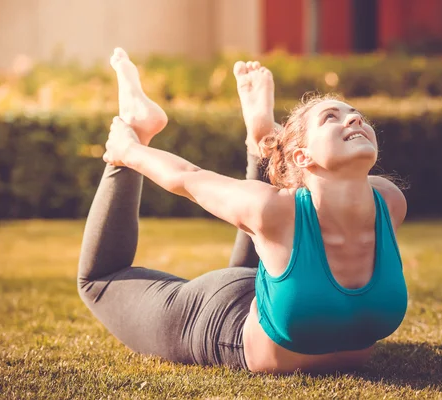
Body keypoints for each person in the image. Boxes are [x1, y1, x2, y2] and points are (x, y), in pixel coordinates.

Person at [77, 48, 408, 375]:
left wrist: (267, 136)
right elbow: (188, 179)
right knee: (98, 282)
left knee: (272, 232)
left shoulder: (390, 203)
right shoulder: (275, 210)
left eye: (355, 114)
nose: (355, 118)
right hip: (226, 318)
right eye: (331, 117)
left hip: (275, 285)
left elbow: (297, 173)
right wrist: (129, 149)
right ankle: (139, 124)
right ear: (303, 157)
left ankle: (259, 137)